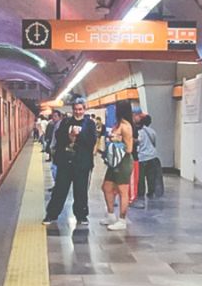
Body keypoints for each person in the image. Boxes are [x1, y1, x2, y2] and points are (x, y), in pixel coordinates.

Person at [43, 98, 97, 225]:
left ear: (84, 109)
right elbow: (59, 137)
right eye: (75, 109)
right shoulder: (66, 122)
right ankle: (51, 214)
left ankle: (81, 215)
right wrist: (70, 136)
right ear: (72, 110)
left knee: (81, 190)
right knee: (60, 189)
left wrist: (78, 136)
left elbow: (91, 141)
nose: (78, 112)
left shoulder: (90, 124)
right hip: (65, 162)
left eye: (80, 109)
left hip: (82, 163)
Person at [100, 100, 135, 230]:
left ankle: (122, 219)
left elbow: (129, 148)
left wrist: (117, 140)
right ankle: (110, 215)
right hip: (114, 161)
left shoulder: (126, 126)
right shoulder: (118, 124)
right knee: (106, 187)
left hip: (123, 161)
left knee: (122, 191)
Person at [135, 114, 162, 199]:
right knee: (151, 176)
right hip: (152, 156)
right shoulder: (152, 131)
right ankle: (151, 192)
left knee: (141, 177)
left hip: (141, 158)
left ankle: (141, 193)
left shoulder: (138, 133)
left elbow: (137, 145)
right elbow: (154, 143)